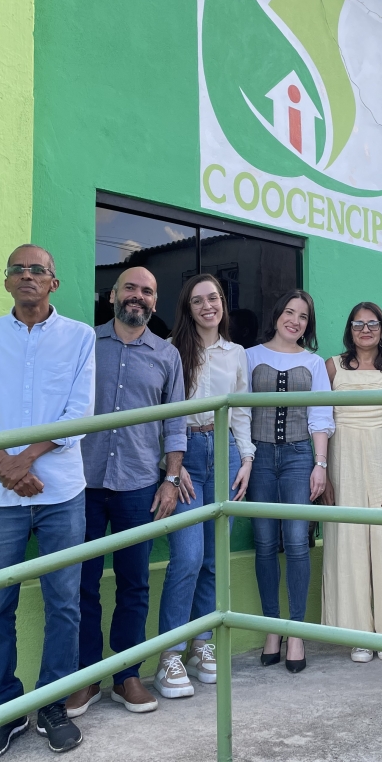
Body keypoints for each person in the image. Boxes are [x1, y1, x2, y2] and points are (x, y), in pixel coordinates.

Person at [0, 244, 95, 760]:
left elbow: (78, 412)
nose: (27, 276)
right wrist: (8, 467)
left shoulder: (79, 337)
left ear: (53, 282)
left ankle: (53, 705)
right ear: (6, 281)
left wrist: (26, 460)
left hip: (61, 492)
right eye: (17, 269)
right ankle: (6, 709)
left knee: (64, 602)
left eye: (38, 269)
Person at [70, 266, 188, 718]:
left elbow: (175, 422)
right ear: (113, 295)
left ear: (155, 302)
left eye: (148, 291)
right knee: (81, 583)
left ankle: (127, 676)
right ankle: (86, 677)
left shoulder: (167, 355)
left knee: (134, 583)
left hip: (139, 486)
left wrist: (171, 479)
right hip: (82, 484)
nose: (138, 296)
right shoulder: (85, 344)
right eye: (131, 288)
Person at [152, 274, 254, 700]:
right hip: (187, 453)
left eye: (214, 298)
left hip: (225, 451)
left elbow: (242, 410)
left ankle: (201, 645)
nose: (208, 306)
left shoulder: (236, 353)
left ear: (223, 303)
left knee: (213, 559)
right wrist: (172, 463)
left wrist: (246, 458)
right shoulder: (171, 349)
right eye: (198, 300)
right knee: (188, 557)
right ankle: (169, 655)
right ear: (187, 308)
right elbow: (160, 410)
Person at [322, 302, 382, 661]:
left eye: (373, 324)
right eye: (358, 324)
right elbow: (321, 421)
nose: (365, 330)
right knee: (348, 542)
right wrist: (324, 472)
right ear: (349, 330)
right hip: (344, 459)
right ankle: (358, 633)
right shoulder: (332, 366)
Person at [246, 289, 334, 674]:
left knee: (297, 541)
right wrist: (245, 459)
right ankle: (272, 627)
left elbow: (321, 415)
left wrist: (320, 464)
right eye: (289, 312)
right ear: (277, 314)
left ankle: (296, 631)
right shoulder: (249, 356)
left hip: (299, 456)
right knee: (265, 543)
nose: (295, 321)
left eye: (303, 316)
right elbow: (240, 413)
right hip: (260, 456)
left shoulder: (314, 363)